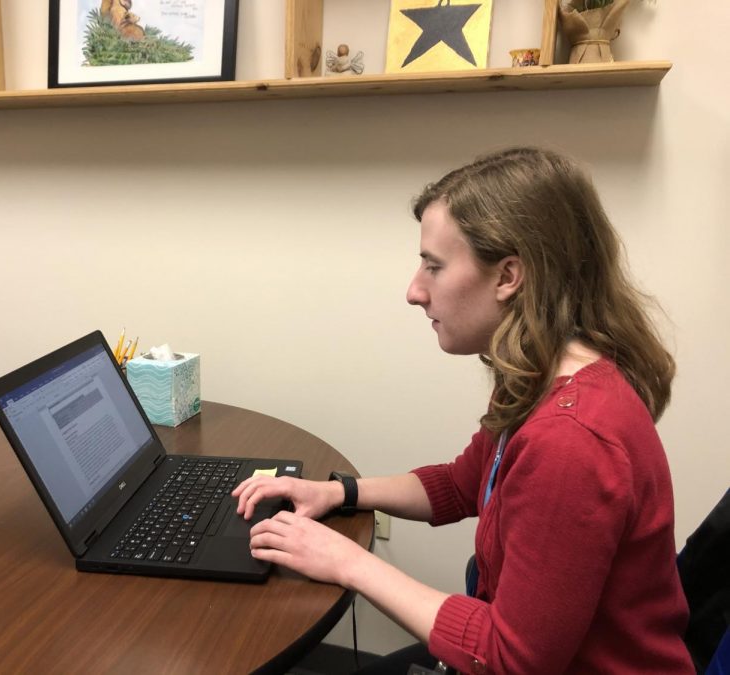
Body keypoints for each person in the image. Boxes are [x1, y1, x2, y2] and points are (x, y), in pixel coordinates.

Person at [232, 147, 694, 674]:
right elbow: (461, 484)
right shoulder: (538, 376)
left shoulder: (570, 440)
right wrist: (339, 492)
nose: (414, 291)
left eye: (434, 265)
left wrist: (347, 562)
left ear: (508, 276)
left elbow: (509, 658)